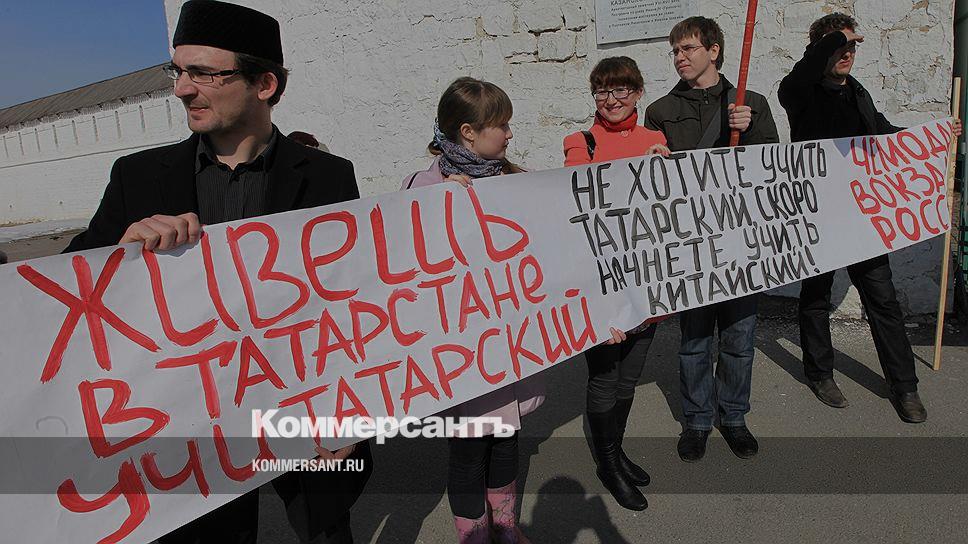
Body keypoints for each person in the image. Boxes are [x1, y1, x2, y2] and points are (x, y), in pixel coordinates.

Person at [64, 2, 370, 542]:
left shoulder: (329, 176)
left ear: (265, 84)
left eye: (204, 73)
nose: (182, 89)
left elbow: (355, 294)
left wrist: (351, 408)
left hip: (299, 402)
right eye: (178, 71)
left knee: (326, 527)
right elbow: (66, 286)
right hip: (190, 419)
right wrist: (120, 250)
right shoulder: (137, 177)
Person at [778, 13, 962, 423]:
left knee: (882, 299)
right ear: (819, 48)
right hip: (820, 215)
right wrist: (834, 38)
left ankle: (904, 386)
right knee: (816, 297)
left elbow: (886, 135)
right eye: (838, 45)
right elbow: (806, 70)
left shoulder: (858, 92)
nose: (847, 52)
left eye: (852, 46)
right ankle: (819, 373)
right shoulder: (800, 91)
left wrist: (934, 137)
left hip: (862, 216)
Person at [402, 77, 540, 544]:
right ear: (468, 132)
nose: (510, 134)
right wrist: (436, 207)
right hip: (460, 349)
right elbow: (405, 268)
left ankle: (505, 525)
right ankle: (474, 535)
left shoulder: (516, 180)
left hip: (508, 340)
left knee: (505, 439)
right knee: (467, 449)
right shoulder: (420, 187)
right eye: (501, 125)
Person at [644, 16, 779, 463]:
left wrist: (750, 128)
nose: (680, 58)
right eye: (675, 51)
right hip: (691, 245)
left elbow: (774, 170)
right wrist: (653, 158)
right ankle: (698, 420)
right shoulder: (661, 111)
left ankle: (734, 417)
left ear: (714, 50)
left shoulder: (751, 103)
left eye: (688, 49)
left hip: (742, 241)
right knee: (695, 340)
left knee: (739, 338)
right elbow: (653, 185)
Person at [562, 56, 669, 511]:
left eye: (621, 89)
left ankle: (616, 451)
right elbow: (576, 197)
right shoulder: (580, 142)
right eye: (602, 90)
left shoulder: (655, 141)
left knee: (629, 379)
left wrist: (664, 171)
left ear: (638, 93)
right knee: (605, 378)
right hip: (602, 285)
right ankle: (607, 463)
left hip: (646, 282)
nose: (611, 100)